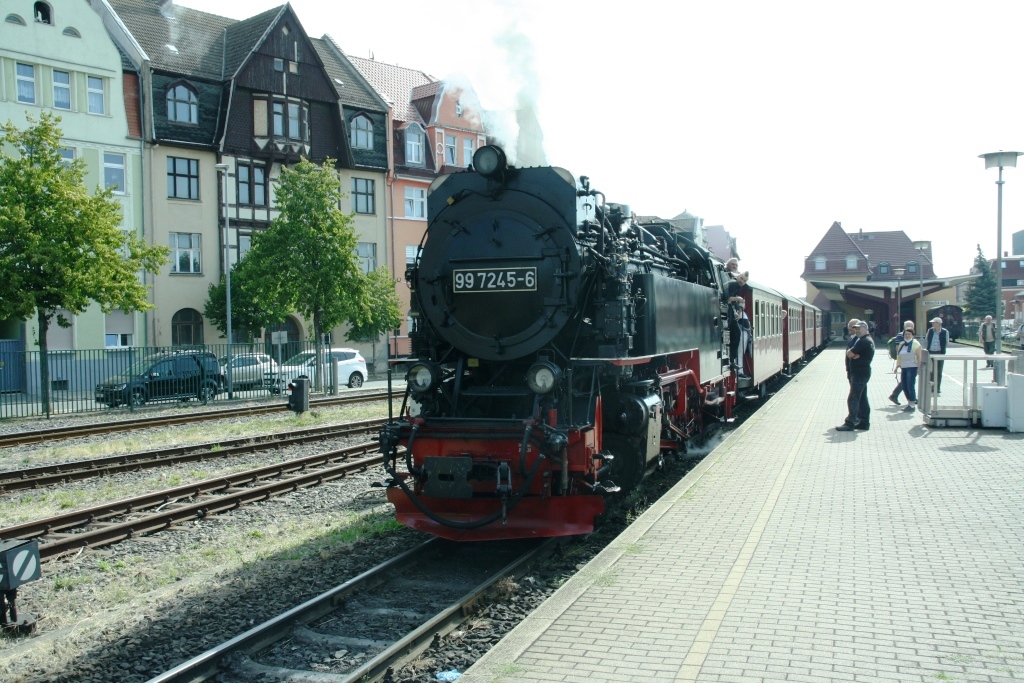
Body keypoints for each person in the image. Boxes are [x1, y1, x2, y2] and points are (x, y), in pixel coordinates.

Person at [836, 320, 875, 431]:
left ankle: (850, 423)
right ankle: (864, 423)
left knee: (853, 398)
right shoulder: (867, 340)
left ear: (865, 329)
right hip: (862, 372)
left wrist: (852, 354)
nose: (856, 330)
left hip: (859, 373)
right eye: (856, 328)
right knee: (862, 398)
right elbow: (851, 353)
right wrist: (853, 354)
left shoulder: (864, 341)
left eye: (859, 328)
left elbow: (849, 353)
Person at [725, 271, 750, 371]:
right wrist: (738, 299)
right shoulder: (733, 284)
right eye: (742, 278)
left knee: (736, 333)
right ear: (738, 276)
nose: (742, 281)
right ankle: (731, 360)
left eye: (744, 280)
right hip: (727, 313)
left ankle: (731, 360)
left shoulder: (736, 285)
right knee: (736, 333)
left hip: (731, 312)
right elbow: (726, 298)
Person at [887, 320, 915, 405]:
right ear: (904, 327)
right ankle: (896, 395)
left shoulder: (910, 335)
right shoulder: (900, 335)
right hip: (905, 361)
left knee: (908, 379)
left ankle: (898, 395)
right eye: (908, 326)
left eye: (911, 327)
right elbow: (897, 348)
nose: (910, 328)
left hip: (911, 361)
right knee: (907, 379)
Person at [895, 328, 923, 412]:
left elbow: (919, 357)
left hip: (912, 367)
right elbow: (899, 356)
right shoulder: (902, 344)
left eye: (909, 334)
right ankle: (909, 402)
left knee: (910, 385)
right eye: (906, 334)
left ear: (912, 335)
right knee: (904, 385)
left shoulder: (916, 344)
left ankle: (912, 405)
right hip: (904, 367)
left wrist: (919, 368)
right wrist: (897, 366)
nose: (907, 336)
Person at [925, 316, 948, 393]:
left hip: (940, 353)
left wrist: (942, 350)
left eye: (933, 323)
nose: (932, 324)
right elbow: (926, 340)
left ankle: (937, 388)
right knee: (931, 370)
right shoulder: (930, 330)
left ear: (938, 323)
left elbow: (946, 342)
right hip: (931, 352)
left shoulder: (945, 331)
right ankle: (930, 387)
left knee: (939, 371)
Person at [735, 300, 751, 378]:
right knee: (739, 353)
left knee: (740, 353)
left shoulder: (742, 314)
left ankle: (740, 370)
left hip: (743, 333)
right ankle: (739, 371)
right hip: (741, 333)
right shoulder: (741, 313)